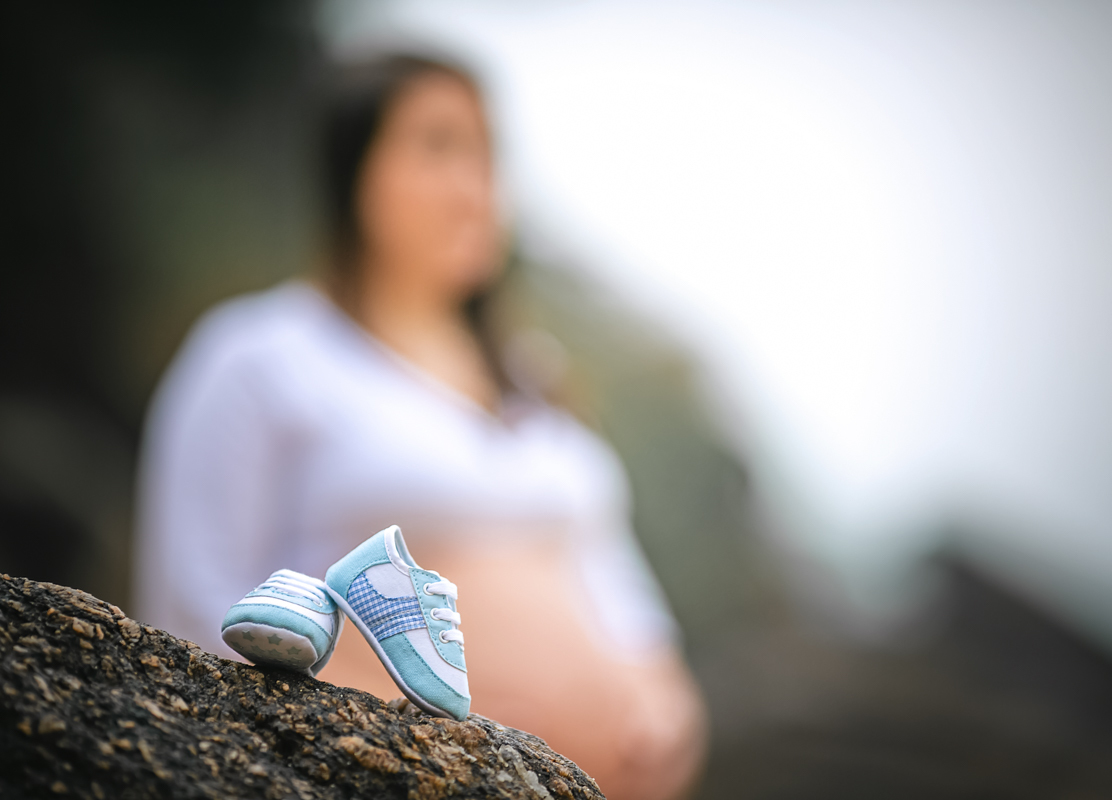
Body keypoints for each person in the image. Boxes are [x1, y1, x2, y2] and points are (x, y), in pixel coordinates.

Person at [134, 53, 706, 800]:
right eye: (439, 147)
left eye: (487, 156)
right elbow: (193, 598)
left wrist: (663, 695)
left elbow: (608, 572)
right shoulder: (260, 356)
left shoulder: (534, 380)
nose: (475, 188)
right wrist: (404, 735)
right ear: (356, 170)